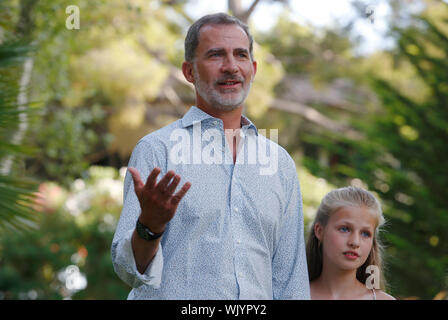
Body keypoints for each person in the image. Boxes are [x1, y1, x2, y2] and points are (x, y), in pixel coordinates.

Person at [111, 13, 310, 300]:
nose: (231, 67)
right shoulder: (157, 150)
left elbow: (291, 281)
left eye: (240, 55)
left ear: (252, 68)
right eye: (216, 55)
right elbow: (129, 270)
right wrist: (149, 227)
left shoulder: (279, 164)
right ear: (189, 71)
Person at [306, 186, 395, 300]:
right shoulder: (292, 295)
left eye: (365, 233)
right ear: (319, 231)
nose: (355, 242)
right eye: (344, 229)